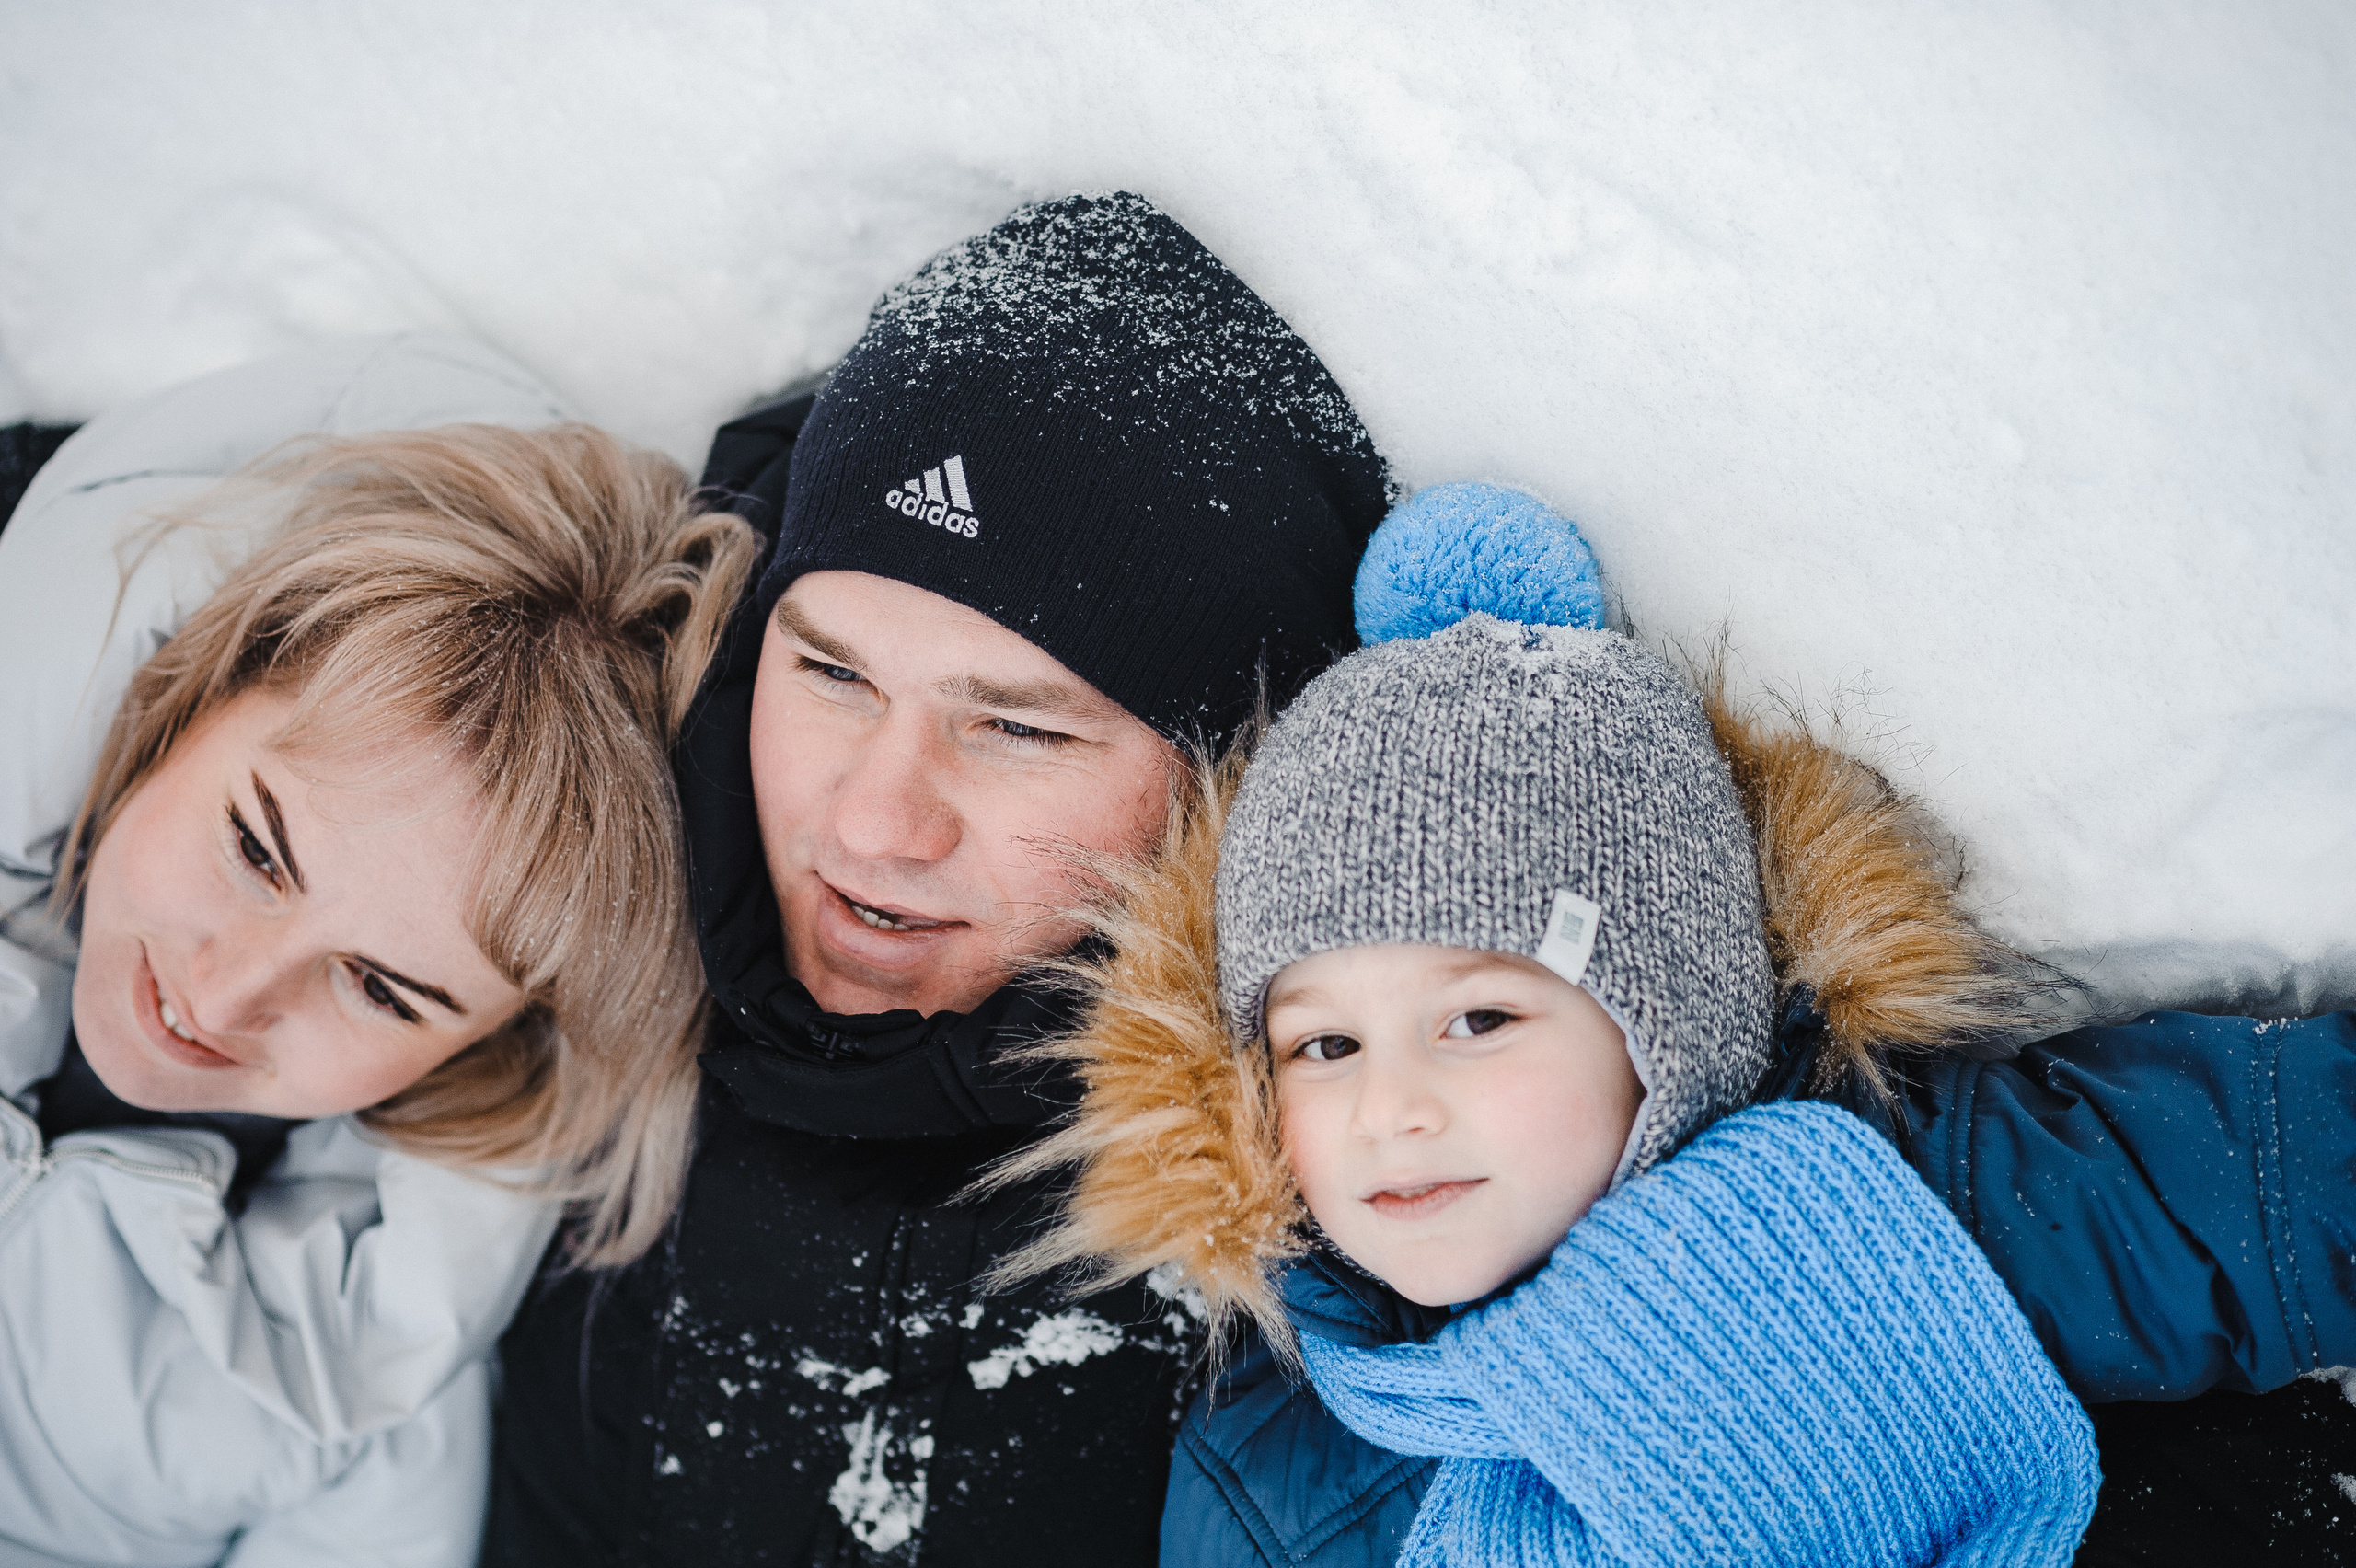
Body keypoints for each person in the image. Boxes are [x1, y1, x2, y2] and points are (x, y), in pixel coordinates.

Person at [481, 191, 1393, 1566]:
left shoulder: (1376, 1190)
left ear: (1224, 772)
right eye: (831, 674)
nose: (873, 822)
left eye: (1014, 727)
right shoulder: (557, 964)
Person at [994, 481, 2101, 1565]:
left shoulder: (1945, 1197)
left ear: (1671, 1025)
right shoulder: (1269, 1469)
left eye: (1477, 1020)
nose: (1390, 1111)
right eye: (1325, 1046)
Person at [0, 334, 757, 1566]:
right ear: (181, 697)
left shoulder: (362, 1387)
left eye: (382, 988)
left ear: (494, 1045)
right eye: (256, 847)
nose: (227, 992)